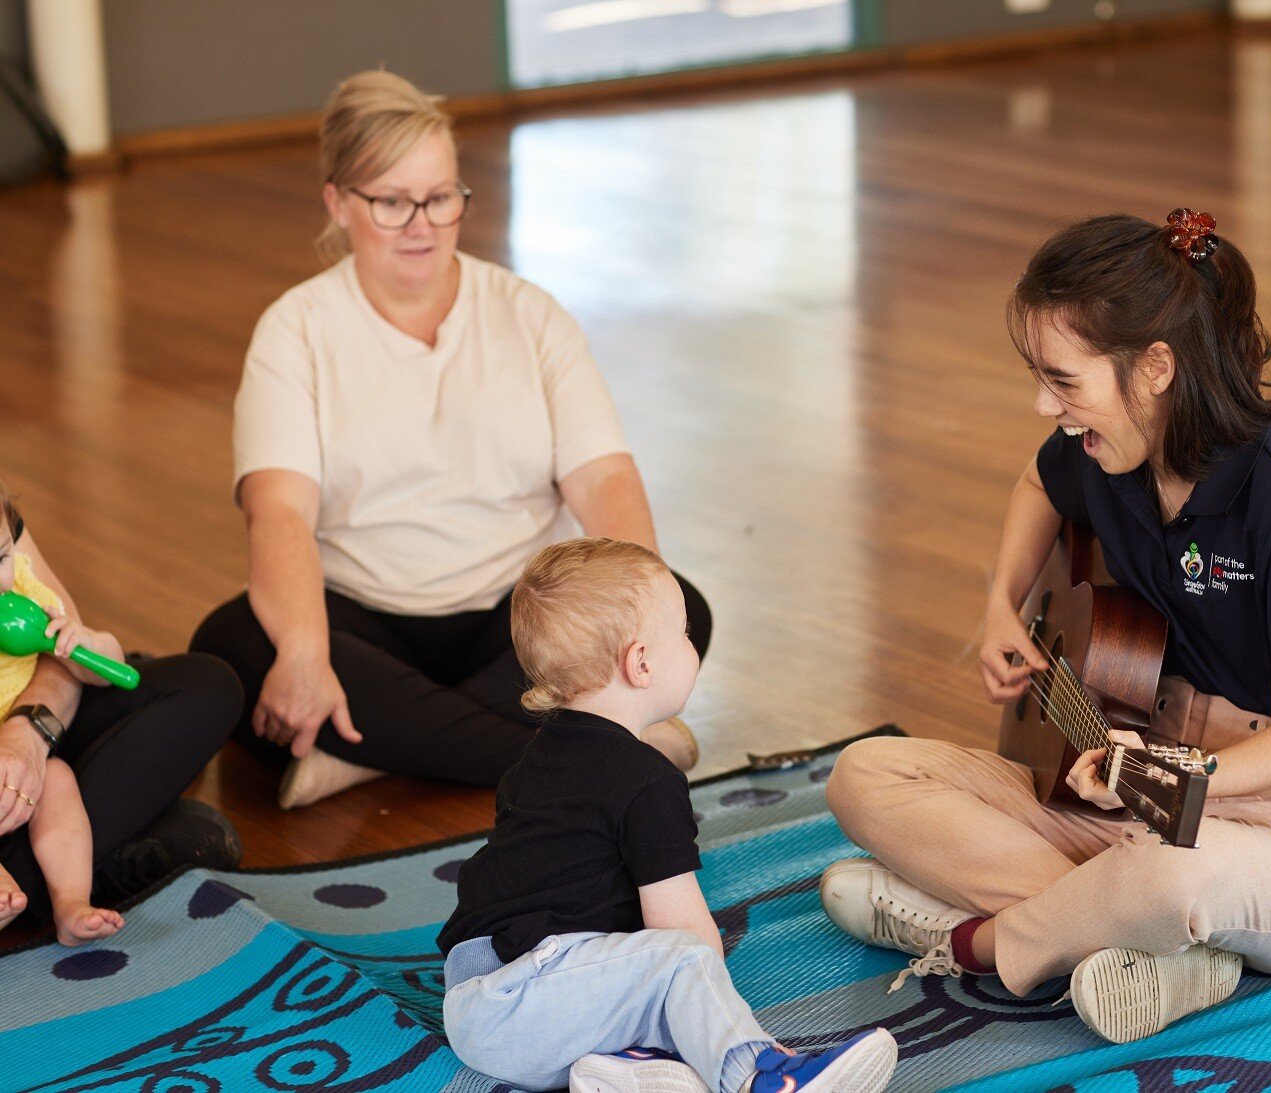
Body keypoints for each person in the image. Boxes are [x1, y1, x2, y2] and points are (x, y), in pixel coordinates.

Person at [818, 210, 1271, 1043]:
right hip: (1121, 784)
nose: (1044, 404)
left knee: (1160, 877)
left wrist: (1171, 779)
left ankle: (972, 940)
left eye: (1064, 380)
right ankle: (1129, 945)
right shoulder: (1104, 454)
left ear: (1155, 368)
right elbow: (1035, 486)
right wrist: (1001, 604)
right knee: (862, 775)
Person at [189, 71, 710, 810]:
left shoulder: (529, 314)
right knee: (234, 648)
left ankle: (370, 752)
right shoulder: (294, 330)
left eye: (439, 197)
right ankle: (578, 749)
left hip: (521, 618)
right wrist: (305, 654)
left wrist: (644, 609)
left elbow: (604, 479)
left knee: (679, 602)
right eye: (391, 201)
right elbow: (277, 513)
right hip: (360, 619)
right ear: (337, 201)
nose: (421, 224)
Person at [437, 537, 897, 1093]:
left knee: (642, 967)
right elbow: (680, 929)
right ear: (641, 663)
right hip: (525, 1004)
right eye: (682, 633)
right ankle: (762, 1074)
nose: (690, 645)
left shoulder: (537, 757)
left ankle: (626, 1072)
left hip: (481, 1002)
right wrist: (721, 1013)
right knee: (683, 959)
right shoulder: (646, 780)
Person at [0, 480, 244, 937]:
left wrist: (84, 645)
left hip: (37, 750)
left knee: (59, 780)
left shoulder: (27, 593)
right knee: (198, 836)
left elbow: (104, 664)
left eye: (0, 558)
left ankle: (70, 902)